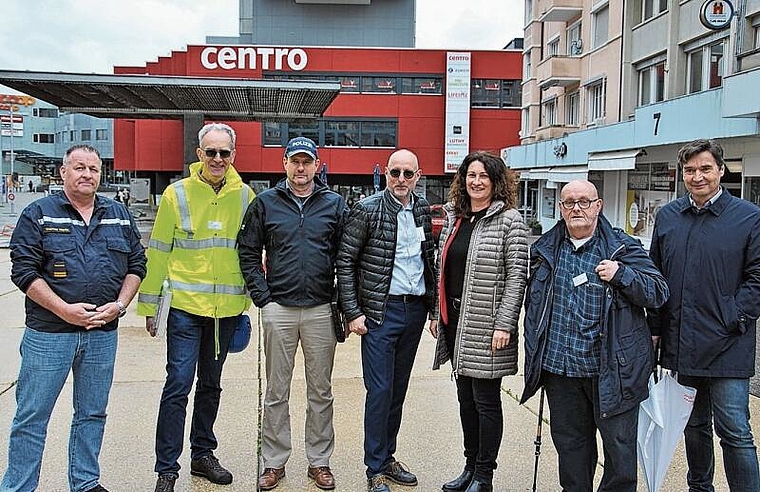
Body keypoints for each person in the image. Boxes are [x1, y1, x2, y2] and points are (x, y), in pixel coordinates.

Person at [1, 144, 147, 492]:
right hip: (50, 335)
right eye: (78, 167)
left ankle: (85, 482)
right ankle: (19, 486)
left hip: (102, 332)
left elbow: (137, 265)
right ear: (63, 173)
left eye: (93, 169)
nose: (87, 174)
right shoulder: (38, 214)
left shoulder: (118, 214)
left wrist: (121, 305)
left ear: (101, 174)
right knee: (32, 416)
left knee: (92, 413)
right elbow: (23, 271)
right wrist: (63, 310)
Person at [521, 180, 669, 492]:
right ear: (560, 209)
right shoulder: (544, 251)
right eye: (569, 202)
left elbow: (658, 291)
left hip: (612, 373)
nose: (577, 208)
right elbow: (533, 308)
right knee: (572, 453)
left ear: (598, 206)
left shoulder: (623, 247)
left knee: (619, 456)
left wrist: (622, 275)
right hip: (560, 372)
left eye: (584, 202)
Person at [136, 123, 254, 492]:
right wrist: (150, 307)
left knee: (211, 386)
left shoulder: (246, 196)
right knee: (178, 385)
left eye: (224, 153)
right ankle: (166, 469)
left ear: (234, 155)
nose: (218, 159)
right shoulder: (176, 194)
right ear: (199, 154)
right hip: (185, 308)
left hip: (227, 311)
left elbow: (251, 253)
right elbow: (158, 253)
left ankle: (202, 454)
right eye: (211, 152)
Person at [648, 139, 760, 492]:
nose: (697, 176)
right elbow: (655, 277)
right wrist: (654, 329)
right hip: (683, 344)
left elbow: (757, 278)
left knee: (735, 430)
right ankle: (700, 487)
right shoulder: (668, 217)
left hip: (730, 344)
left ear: (721, 170)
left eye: (705, 168)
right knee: (693, 427)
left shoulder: (748, 217)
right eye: (690, 170)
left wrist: (734, 316)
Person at [237, 136, 348, 491]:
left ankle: (319, 461)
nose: (301, 168)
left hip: (319, 311)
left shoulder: (334, 204)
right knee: (276, 391)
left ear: (317, 165)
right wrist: (263, 298)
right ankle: (274, 461)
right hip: (279, 309)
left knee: (321, 391)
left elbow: (346, 257)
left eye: (307, 162)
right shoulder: (265, 203)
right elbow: (248, 252)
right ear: (284, 163)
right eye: (294, 161)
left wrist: (340, 300)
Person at [337, 149, 437, 492]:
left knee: (397, 390)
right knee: (379, 391)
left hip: (414, 310)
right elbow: (345, 262)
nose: (401, 180)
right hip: (381, 312)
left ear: (418, 176)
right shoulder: (366, 210)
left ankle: (388, 456)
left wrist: (433, 309)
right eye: (395, 172)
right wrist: (353, 311)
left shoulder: (422, 209)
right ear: (385, 174)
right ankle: (374, 468)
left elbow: (429, 259)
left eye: (408, 173)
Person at [431, 152, 528, 492]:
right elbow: (441, 270)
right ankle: (469, 467)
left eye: (483, 176)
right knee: (465, 400)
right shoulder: (457, 218)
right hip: (456, 322)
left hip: (489, 326)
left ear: (496, 181)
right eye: (471, 175)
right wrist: (436, 314)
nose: (476, 181)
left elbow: (517, 276)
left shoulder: (510, 221)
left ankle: (484, 475)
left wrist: (505, 323)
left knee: (486, 401)